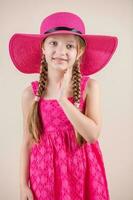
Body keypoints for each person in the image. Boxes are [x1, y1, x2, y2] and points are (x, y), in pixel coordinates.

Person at [9, 11, 118, 200]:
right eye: (53, 43)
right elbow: (27, 142)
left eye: (69, 45)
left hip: (83, 171)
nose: (61, 52)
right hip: (45, 174)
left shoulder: (90, 87)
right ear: (43, 47)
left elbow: (92, 135)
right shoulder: (30, 94)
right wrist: (22, 184)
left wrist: (62, 100)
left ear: (79, 51)